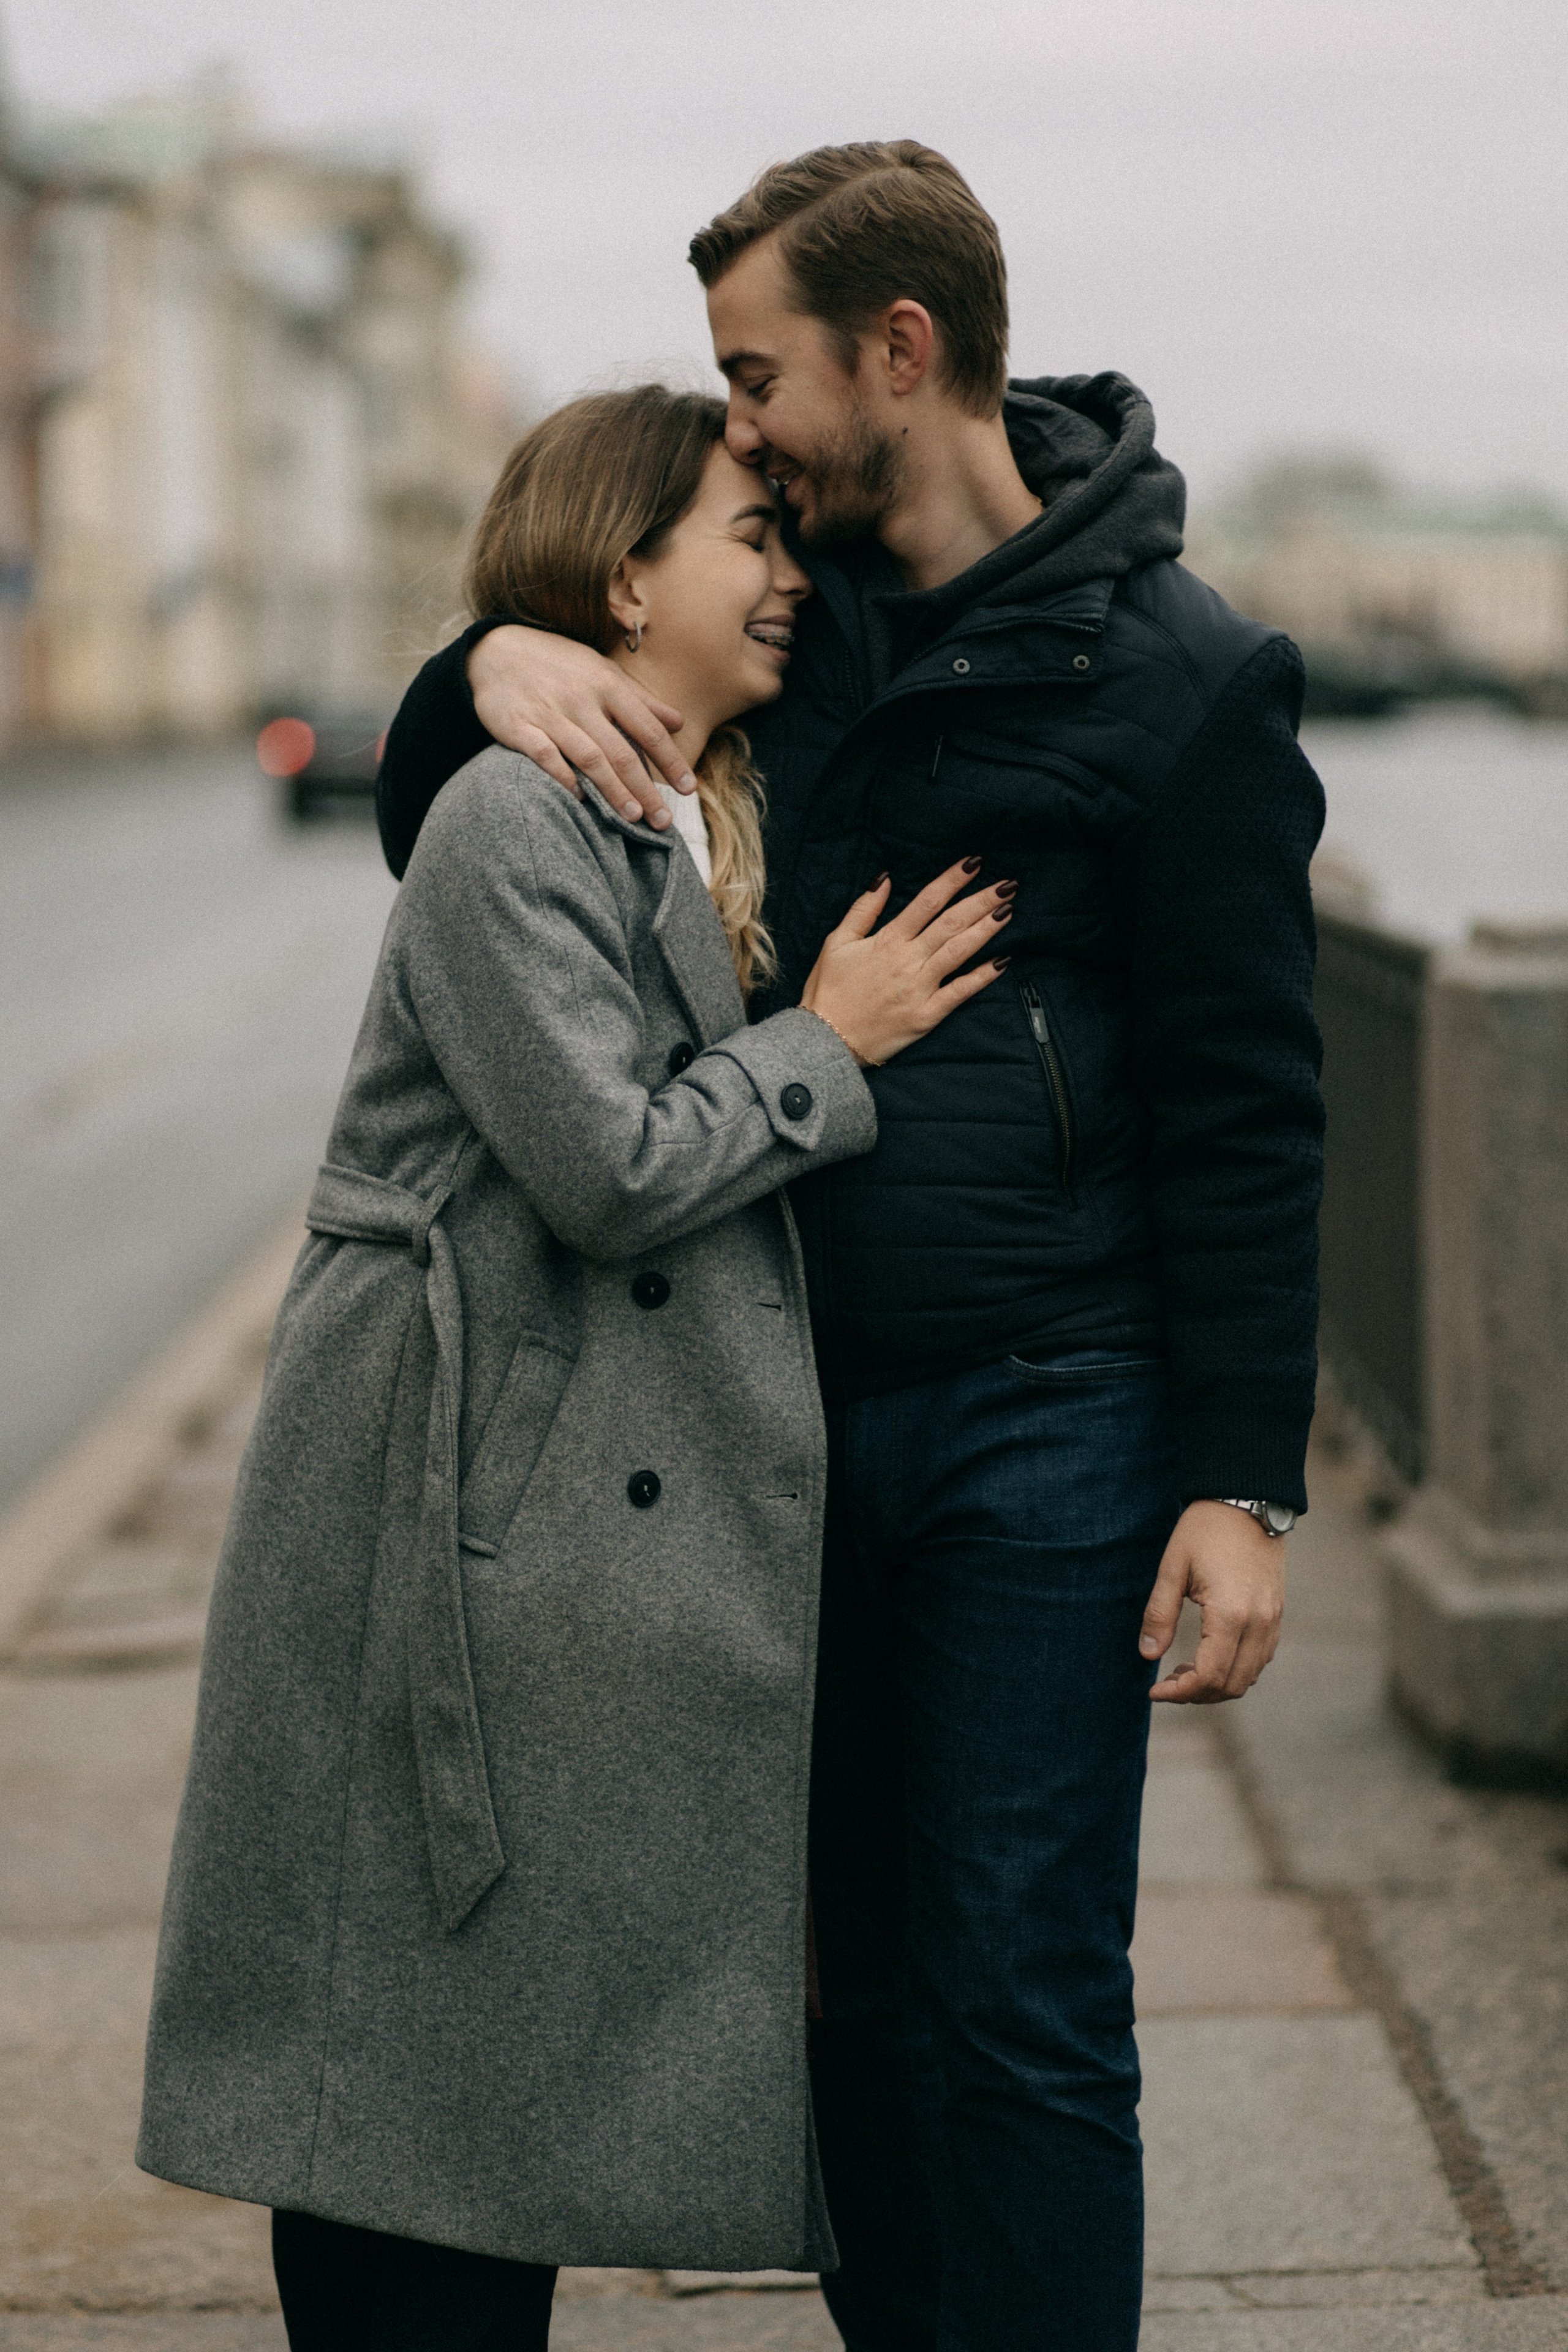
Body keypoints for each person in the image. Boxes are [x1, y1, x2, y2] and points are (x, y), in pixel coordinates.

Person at [377, 145, 1327, 2352]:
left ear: (900, 350)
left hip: (1049, 1410)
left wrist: (1240, 1477)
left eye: (758, 373)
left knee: (1018, 1983)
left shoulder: (1187, 678)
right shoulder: (774, 614)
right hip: (764, 1413)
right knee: (844, 1995)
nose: (741, 424)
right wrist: (493, 656)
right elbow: (454, 827)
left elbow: (1251, 1107)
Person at [135, 383, 1016, 2351]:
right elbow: (608, 1168)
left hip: (562, 1513)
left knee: (476, 2069)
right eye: (749, 541)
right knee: (407, 2064)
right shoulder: (506, 817)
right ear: (625, 581)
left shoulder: (695, 800)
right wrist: (834, 1043)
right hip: (446, 1497)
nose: (790, 578)